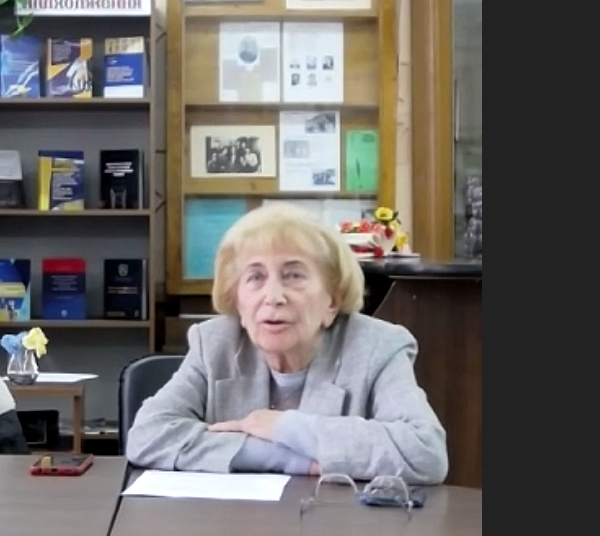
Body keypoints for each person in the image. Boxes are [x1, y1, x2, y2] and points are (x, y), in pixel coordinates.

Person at [125, 203, 449, 485]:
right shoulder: (214, 343)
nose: (273, 297)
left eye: (294, 275)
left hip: (339, 527)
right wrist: (285, 457)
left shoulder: (378, 346)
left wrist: (284, 427)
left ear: (332, 300)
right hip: (234, 527)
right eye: (255, 277)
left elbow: (425, 453)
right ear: (237, 300)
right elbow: (147, 436)